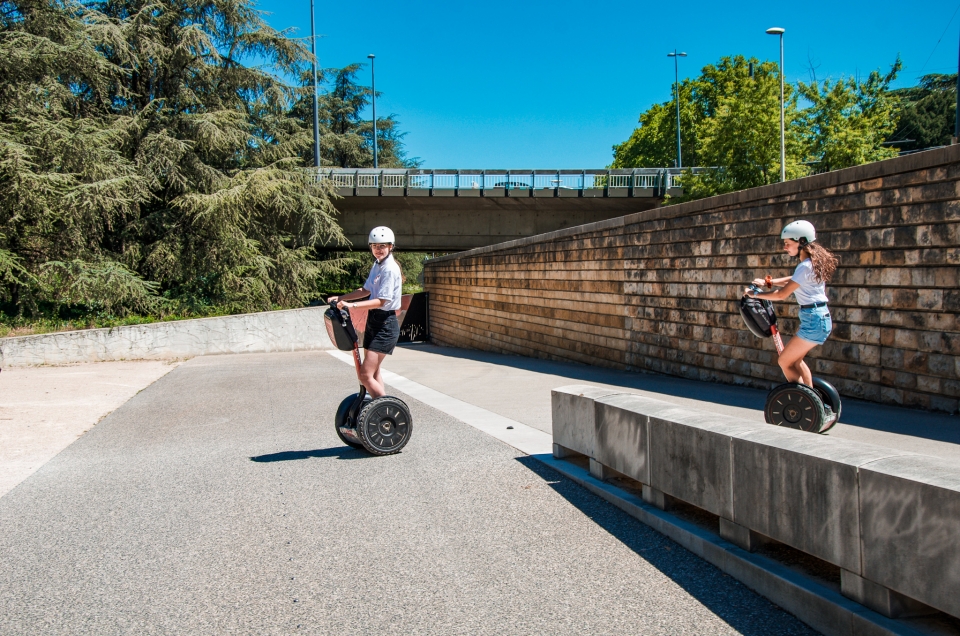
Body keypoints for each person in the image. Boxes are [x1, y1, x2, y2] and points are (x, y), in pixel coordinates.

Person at [744, 220, 839, 388]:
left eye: (788, 243)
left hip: (813, 320)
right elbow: (793, 280)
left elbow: (782, 295)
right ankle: (813, 399)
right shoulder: (810, 264)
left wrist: (755, 294)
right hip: (818, 318)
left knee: (785, 361)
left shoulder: (805, 266)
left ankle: (806, 401)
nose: (785, 247)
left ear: (801, 242)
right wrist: (769, 282)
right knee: (796, 361)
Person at [327, 227, 403, 398]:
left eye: (382, 246)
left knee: (365, 375)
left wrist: (351, 306)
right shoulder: (377, 264)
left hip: (385, 324)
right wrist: (340, 298)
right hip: (374, 321)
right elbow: (365, 290)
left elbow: (382, 301)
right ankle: (380, 408)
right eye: (375, 246)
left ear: (391, 247)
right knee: (374, 373)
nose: (378, 250)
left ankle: (385, 411)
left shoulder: (389, 269)